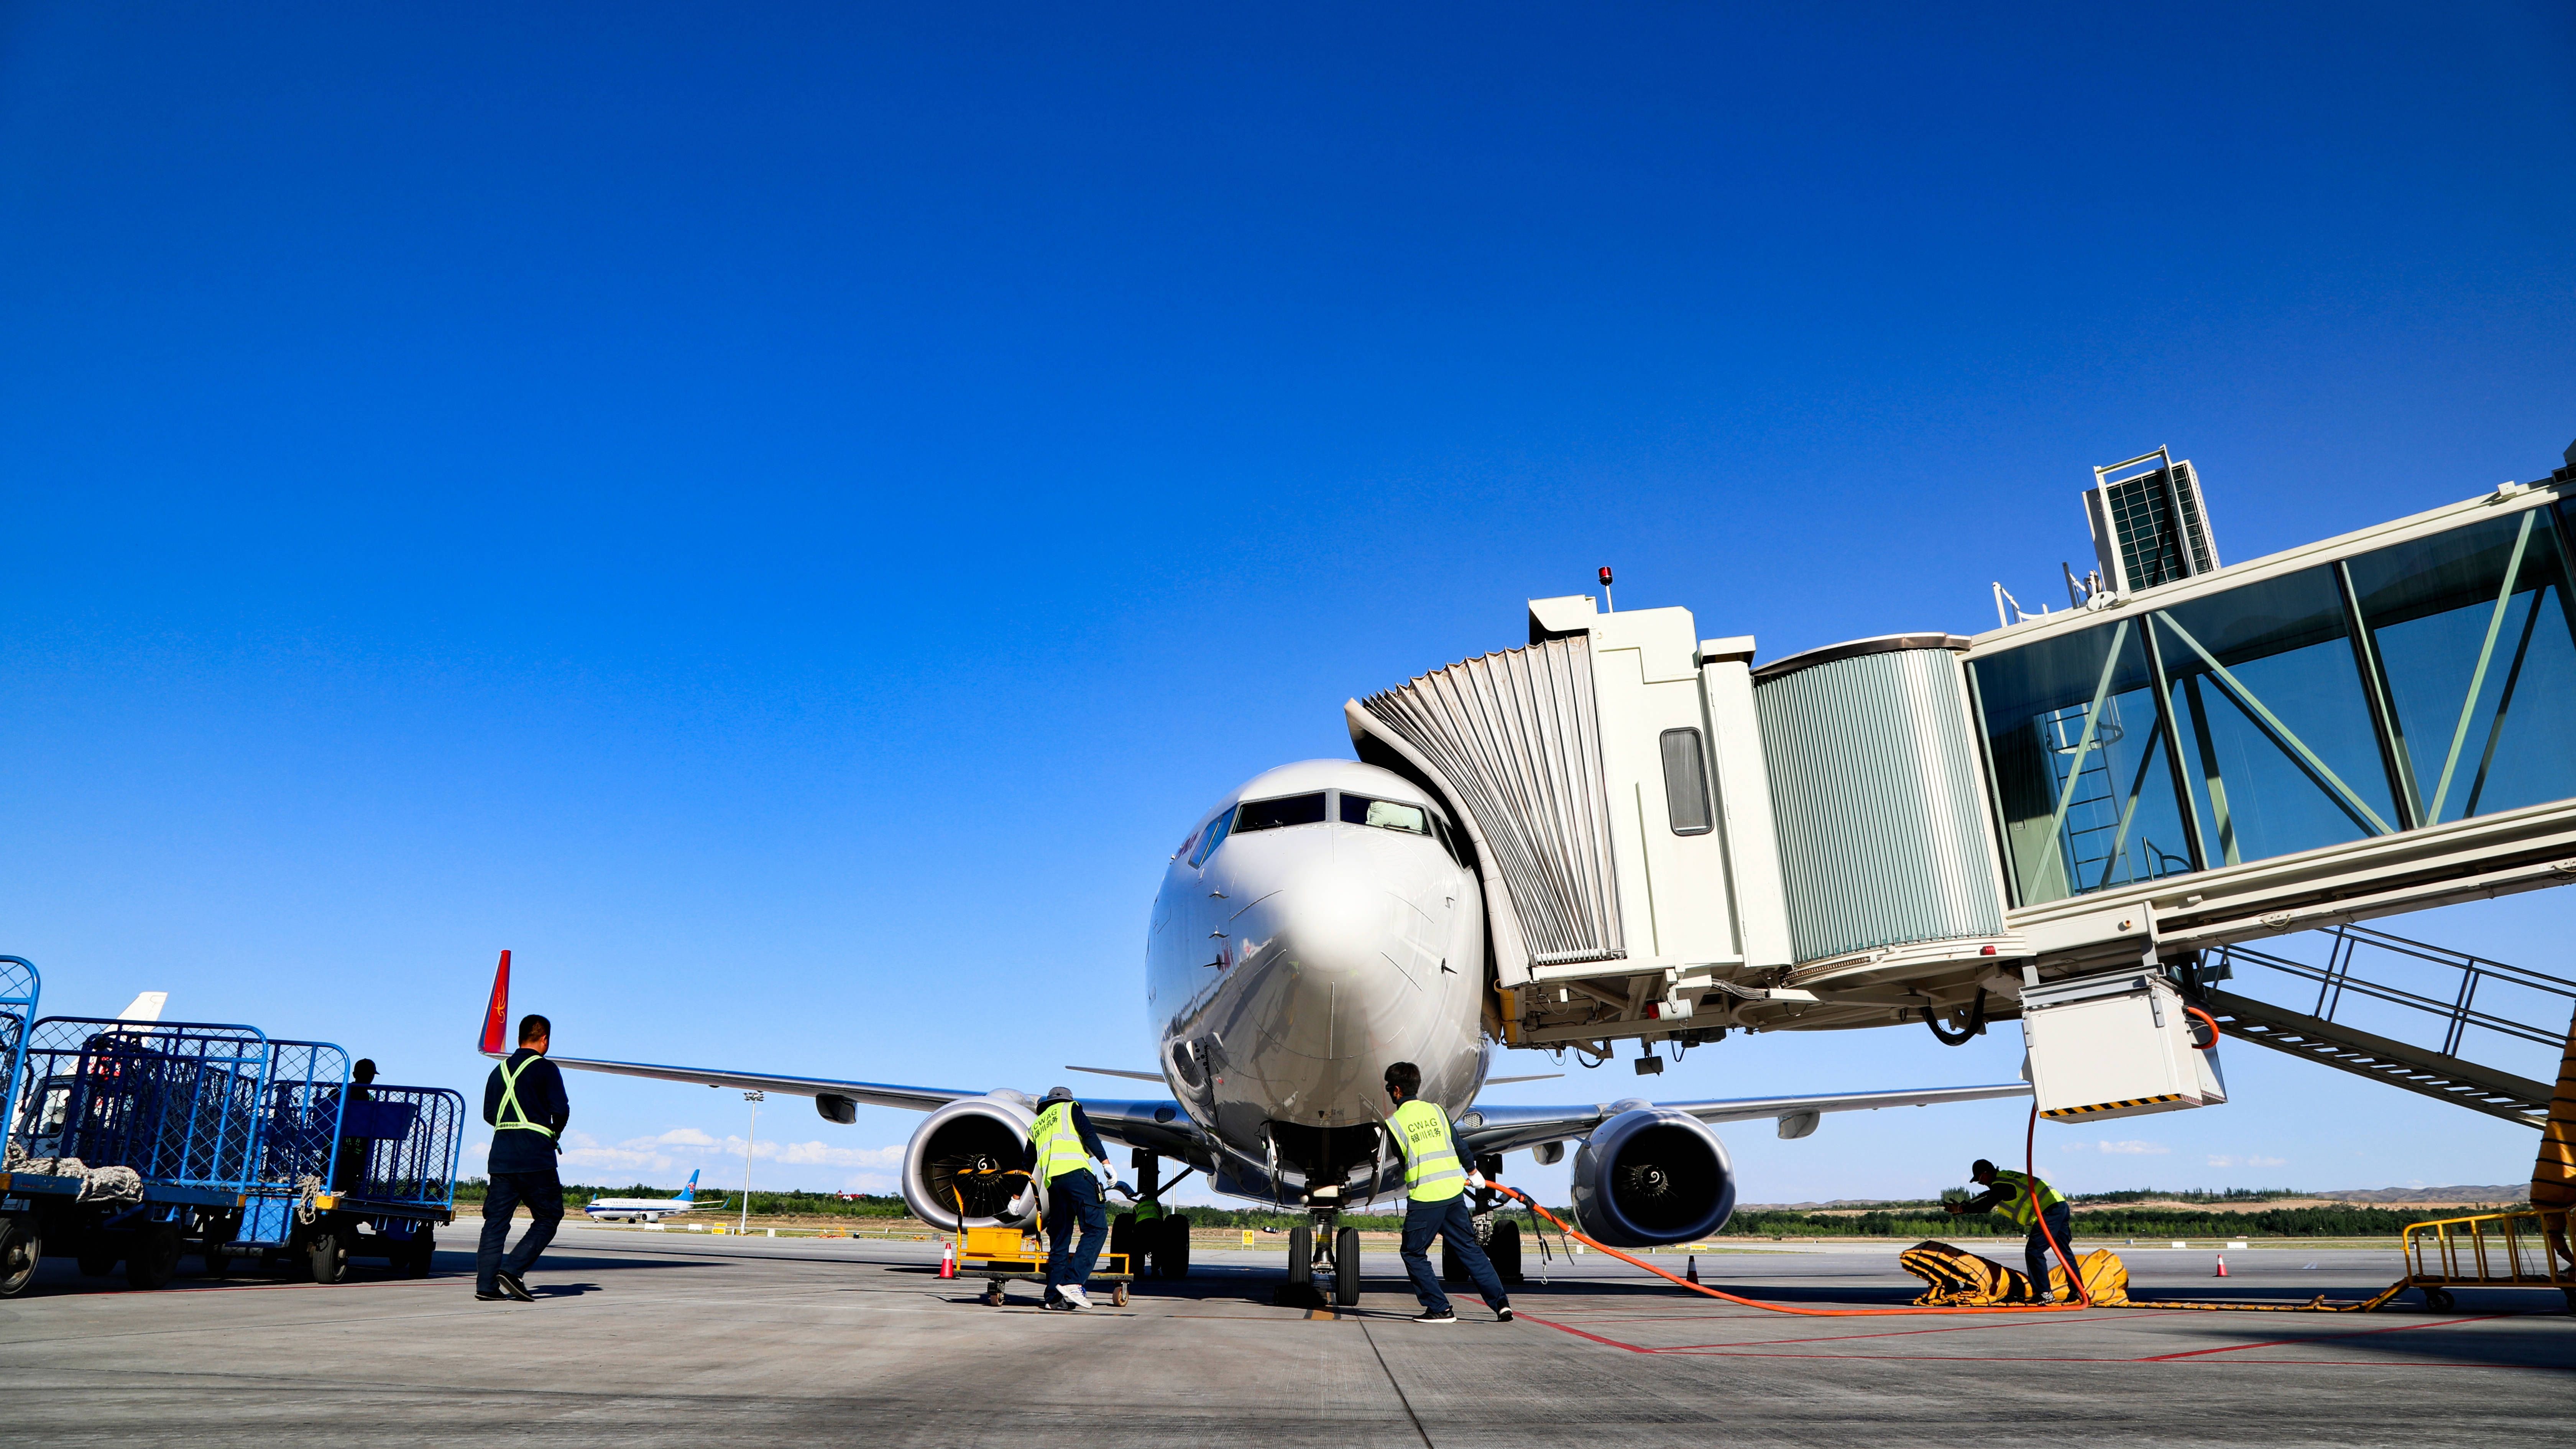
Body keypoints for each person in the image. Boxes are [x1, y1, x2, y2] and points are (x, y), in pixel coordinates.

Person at [1384, 1061, 1511, 1324]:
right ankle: (1501, 1306)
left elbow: (1401, 1161)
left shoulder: (1395, 1123)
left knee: (1413, 1253)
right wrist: (1474, 1174)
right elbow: (1460, 1145)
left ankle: (1439, 1308)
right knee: (1470, 1250)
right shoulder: (1437, 1112)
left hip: (1426, 1198)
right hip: (1453, 1194)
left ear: (1397, 1091)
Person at [476, 1014, 569, 1304]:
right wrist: (551, 1133)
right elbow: (561, 1110)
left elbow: (489, 1115)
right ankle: (513, 1270)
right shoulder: (546, 1069)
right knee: (549, 1215)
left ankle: (486, 1286)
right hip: (535, 1156)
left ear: (519, 1039)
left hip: (501, 1156)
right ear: (545, 1040)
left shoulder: (498, 1072)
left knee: (495, 1222)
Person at [1027, 1086, 1114, 1310]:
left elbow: (1027, 1163)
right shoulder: (1071, 1109)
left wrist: (1017, 1196)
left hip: (1054, 1185)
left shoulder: (1037, 1125)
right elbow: (1089, 1134)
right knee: (1096, 1229)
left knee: (1060, 1239)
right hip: (1077, 1175)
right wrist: (1106, 1163)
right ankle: (1074, 1282)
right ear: (1068, 1099)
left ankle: (1053, 1298)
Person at [1945, 1157, 2073, 1302]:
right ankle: (2077, 1291)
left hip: (2049, 1211)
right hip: (2059, 1205)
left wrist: (1962, 1209)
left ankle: (2044, 1293)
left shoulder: (2001, 1185)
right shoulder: (2006, 1178)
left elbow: (1986, 1205)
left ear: (1986, 1174)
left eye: (1981, 1180)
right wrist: (1969, 1204)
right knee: (2064, 1253)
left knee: (2034, 1252)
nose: (1982, 1184)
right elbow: (1990, 1195)